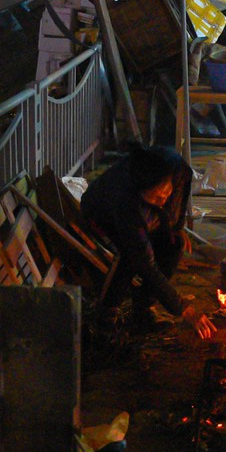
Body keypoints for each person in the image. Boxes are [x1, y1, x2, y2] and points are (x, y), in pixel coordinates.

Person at [80, 144, 215, 339]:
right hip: (101, 216)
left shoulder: (179, 170)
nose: (160, 199)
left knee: (173, 244)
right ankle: (105, 316)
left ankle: (142, 310)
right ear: (141, 192)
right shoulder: (127, 204)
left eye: (163, 194)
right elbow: (145, 263)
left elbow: (180, 199)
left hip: (146, 212)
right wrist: (182, 307)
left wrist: (176, 228)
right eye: (152, 197)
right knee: (130, 256)